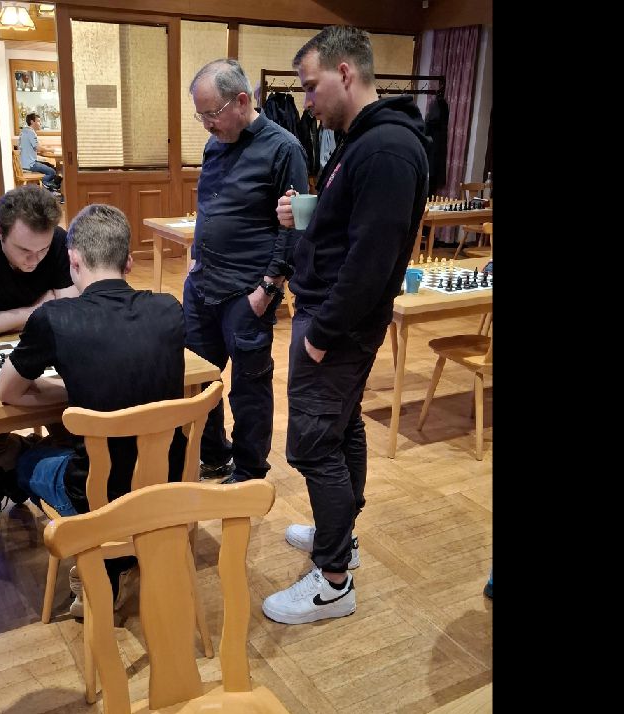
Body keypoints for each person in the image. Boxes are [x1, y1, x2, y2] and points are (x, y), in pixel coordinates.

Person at [262, 26, 430, 625]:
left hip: (337, 327)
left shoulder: (385, 149)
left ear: (344, 73)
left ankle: (333, 581)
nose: (306, 102)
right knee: (339, 430)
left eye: (310, 87)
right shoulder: (364, 141)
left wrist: (320, 333)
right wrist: (308, 215)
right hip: (334, 320)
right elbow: (351, 228)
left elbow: (371, 261)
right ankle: (341, 538)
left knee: (311, 444)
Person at [0, 203, 188, 615]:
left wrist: (67, 393)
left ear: (73, 261)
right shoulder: (169, 309)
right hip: (165, 485)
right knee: (96, 450)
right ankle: (123, 560)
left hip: (93, 494)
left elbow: (7, 392)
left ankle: (100, 565)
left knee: (25, 459)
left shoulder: (55, 318)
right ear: (129, 262)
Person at [185, 58, 309, 485]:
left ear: (241, 100)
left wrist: (268, 288)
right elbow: (210, 206)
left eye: (212, 113)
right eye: (200, 115)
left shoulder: (284, 148)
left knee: (249, 387)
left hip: (247, 291)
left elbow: (293, 228)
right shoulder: (215, 143)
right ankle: (213, 455)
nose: (206, 124)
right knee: (199, 379)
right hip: (203, 284)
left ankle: (251, 470)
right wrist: (196, 258)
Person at [0, 184, 79, 516]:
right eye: (24, 250)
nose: (34, 260)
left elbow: (69, 305)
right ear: (0, 232)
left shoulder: (57, 241)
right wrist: (34, 312)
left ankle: (15, 472)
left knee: (80, 430)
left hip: (37, 357)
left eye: (43, 250)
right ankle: (22, 463)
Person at [19, 112, 62, 194]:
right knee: (52, 172)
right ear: (32, 122)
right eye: (38, 121)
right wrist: (50, 150)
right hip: (30, 164)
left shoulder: (24, 131)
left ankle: (51, 189)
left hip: (25, 162)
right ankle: (44, 186)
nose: (40, 123)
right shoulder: (30, 132)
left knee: (50, 166)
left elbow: (36, 146)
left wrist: (45, 149)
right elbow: (38, 148)